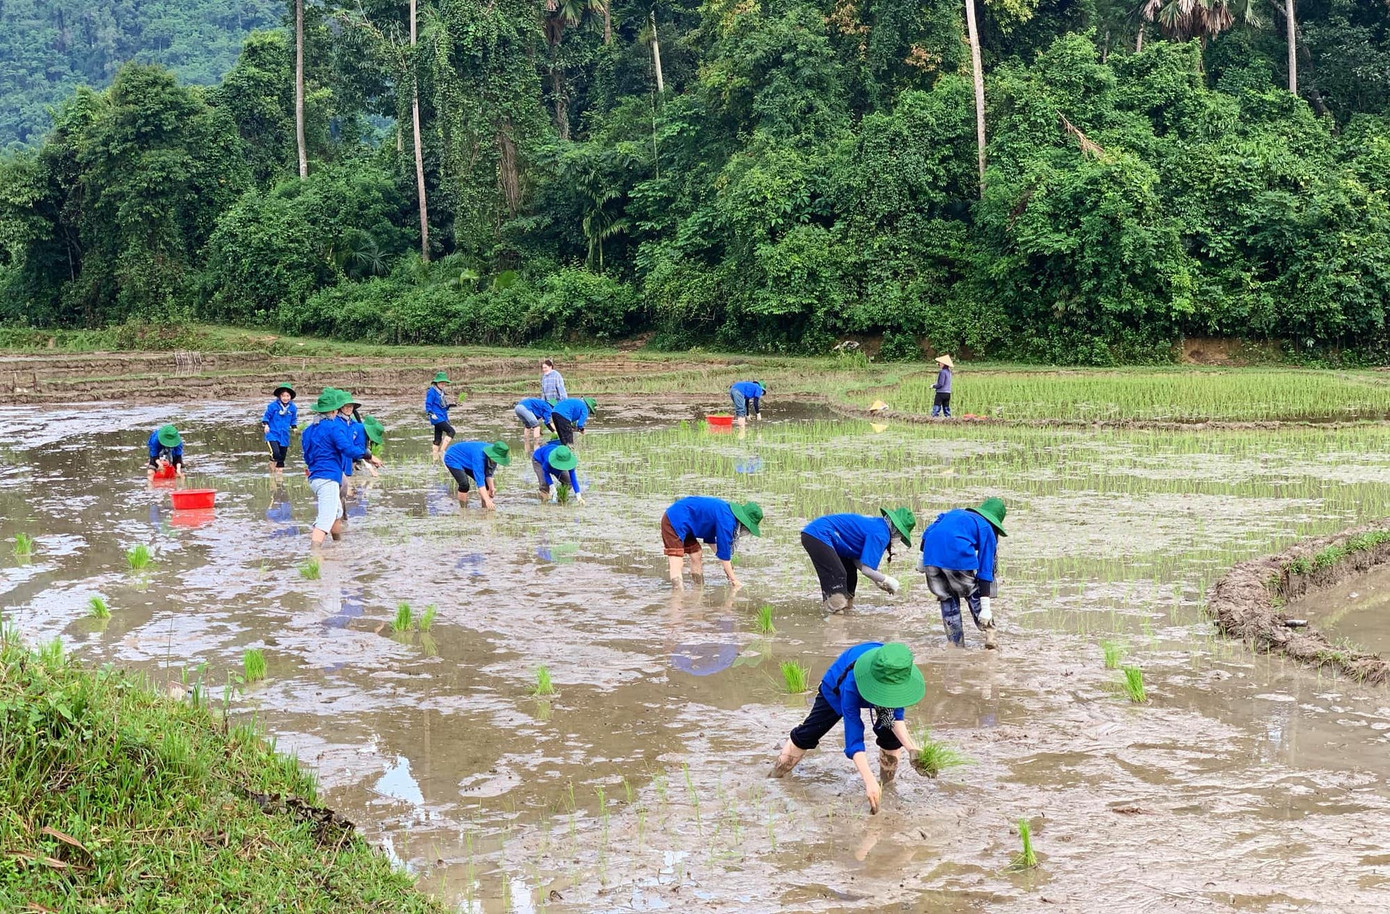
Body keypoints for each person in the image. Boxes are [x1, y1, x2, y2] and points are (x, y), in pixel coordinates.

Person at [769, 642, 925, 815]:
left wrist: (913, 748)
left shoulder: (897, 672)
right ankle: (774, 778)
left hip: (883, 681)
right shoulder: (851, 682)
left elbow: (895, 718)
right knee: (809, 733)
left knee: (891, 740)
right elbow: (854, 740)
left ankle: (885, 788)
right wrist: (868, 780)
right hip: (837, 689)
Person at [919, 497, 1006, 649]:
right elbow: (985, 571)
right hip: (956, 557)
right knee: (973, 592)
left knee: (947, 599)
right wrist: (986, 607)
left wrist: (921, 557)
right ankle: (990, 634)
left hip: (930, 558)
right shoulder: (986, 528)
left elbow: (929, 531)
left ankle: (956, 645)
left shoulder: (954, 513)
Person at [301, 388, 381, 546]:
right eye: (337, 409)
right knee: (324, 520)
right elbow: (348, 449)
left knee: (336, 512)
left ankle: (338, 544)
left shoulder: (308, 431)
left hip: (315, 477)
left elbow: (307, 456)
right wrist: (369, 456)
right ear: (332, 411)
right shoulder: (333, 428)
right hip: (328, 478)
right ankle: (315, 556)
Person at [801, 508, 914, 614]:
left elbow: (857, 562)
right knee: (837, 574)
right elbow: (866, 570)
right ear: (896, 530)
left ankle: (846, 609)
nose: (899, 539)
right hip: (818, 534)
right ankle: (835, 615)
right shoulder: (881, 534)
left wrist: (879, 582)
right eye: (900, 535)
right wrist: (887, 580)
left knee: (850, 574)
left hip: (827, 536)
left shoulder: (878, 525)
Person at [660, 496, 763, 588]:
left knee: (696, 554)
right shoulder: (727, 521)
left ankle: (698, 588)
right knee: (677, 561)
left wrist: (728, 566)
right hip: (674, 519)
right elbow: (724, 552)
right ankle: (677, 597)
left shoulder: (727, 513)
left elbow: (713, 542)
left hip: (687, 521)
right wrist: (733, 579)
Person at [443, 440, 511, 509]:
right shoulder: (479, 457)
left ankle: (484, 508)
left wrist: (491, 487)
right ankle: (463, 509)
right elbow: (480, 481)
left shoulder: (495, 455)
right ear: (492, 454)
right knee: (464, 484)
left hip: (469, 460)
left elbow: (489, 474)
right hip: (453, 457)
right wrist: (487, 500)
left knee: (487, 486)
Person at [261, 383, 298, 474]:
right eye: (283, 396)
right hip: (272, 433)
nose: (285, 398)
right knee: (275, 453)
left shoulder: (292, 408)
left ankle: (278, 480)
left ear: (290, 397)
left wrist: (295, 428)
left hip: (284, 435)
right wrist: (266, 425)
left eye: (287, 396)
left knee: (282, 457)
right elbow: (266, 417)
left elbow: (293, 420)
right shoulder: (273, 406)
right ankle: (271, 471)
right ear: (279, 396)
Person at [532, 440, 585, 504]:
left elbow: (573, 479)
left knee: (568, 483)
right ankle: (544, 503)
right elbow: (546, 474)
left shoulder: (569, 459)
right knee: (544, 484)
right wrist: (553, 488)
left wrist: (579, 497)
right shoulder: (547, 460)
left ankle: (560, 500)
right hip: (538, 460)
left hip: (555, 457)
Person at [425, 371, 456, 462]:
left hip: (441, 416)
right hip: (436, 417)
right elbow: (428, 404)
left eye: (444, 383)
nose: (443, 384)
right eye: (441, 383)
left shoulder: (441, 392)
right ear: (436, 382)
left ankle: (434, 460)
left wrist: (449, 406)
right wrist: (430, 413)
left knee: (437, 439)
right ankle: (442, 451)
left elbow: (442, 406)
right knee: (451, 431)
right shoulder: (432, 391)